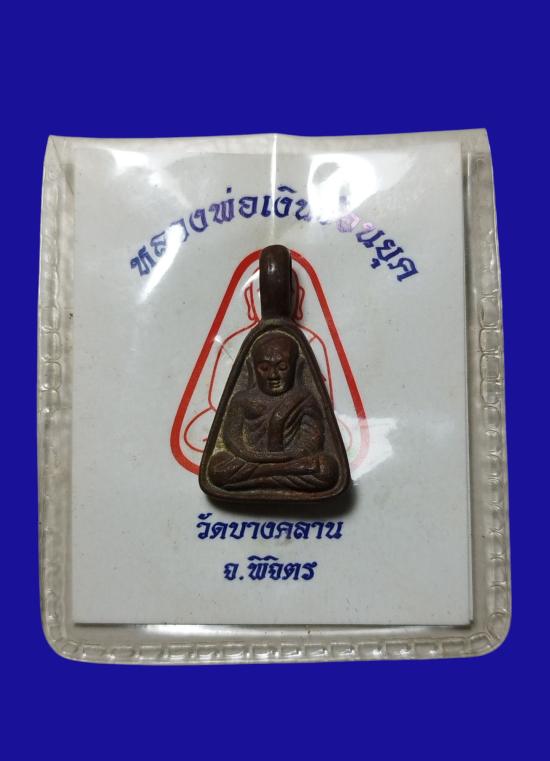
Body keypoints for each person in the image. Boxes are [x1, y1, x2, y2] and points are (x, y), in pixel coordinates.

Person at [208, 331, 338, 492]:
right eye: (264, 368)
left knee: (326, 468)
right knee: (218, 466)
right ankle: (272, 475)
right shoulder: (241, 400)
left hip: (288, 462)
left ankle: (259, 478)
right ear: (252, 368)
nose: (273, 375)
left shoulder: (304, 399)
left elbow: (312, 443)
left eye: (282, 367)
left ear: (297, 367)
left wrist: (285, 457)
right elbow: (231, 438)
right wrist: (253, 456)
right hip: (259, 462)